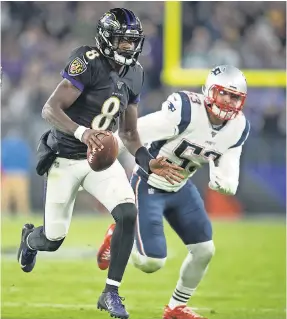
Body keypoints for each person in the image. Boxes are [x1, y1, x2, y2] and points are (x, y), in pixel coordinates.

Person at [17, 8, 183, 319]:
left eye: (132, 42)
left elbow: (130, 131)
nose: (129, 48)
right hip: (65, 158)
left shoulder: (135, 74)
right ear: (107, 39)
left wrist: (148, 161)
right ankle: (29, 238)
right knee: (52, 240)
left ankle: (110, 293)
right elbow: (50, 108)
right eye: (122, 42)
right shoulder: (87, 60)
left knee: (126, 213)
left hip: (101, 161)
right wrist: (83, 132)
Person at [97, 65, 250, 319]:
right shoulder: (186, 110)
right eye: (224, 93)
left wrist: (223, 181)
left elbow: (229, 175)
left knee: (205, 250)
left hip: (180, 188)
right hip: (149, 184)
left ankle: (176, 308)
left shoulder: (238, 127)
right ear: (209, 90)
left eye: (235, 97)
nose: (228, 101)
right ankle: (117, 235)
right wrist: (105, 155)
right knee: (151, 263)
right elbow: (134, 131)